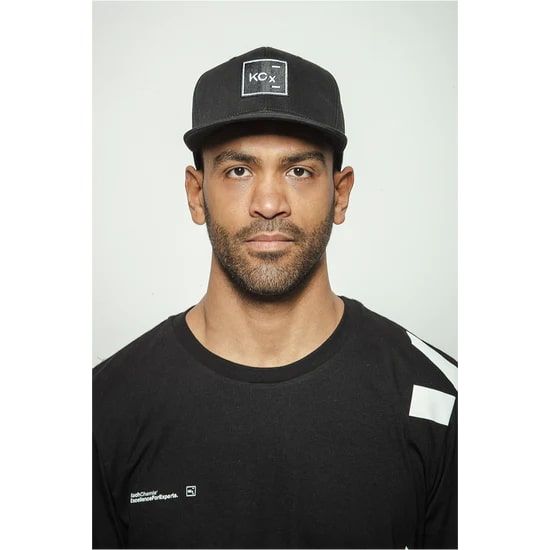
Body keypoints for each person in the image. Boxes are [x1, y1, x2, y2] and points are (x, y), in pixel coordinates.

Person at [93, 46, 457, 549]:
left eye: (299, 171)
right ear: (197, 194)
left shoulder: (440, 400)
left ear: (341, 193)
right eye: (238, 171)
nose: (268, 204)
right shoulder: (102, 408)